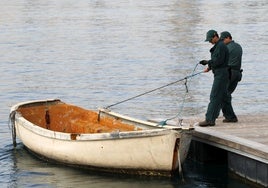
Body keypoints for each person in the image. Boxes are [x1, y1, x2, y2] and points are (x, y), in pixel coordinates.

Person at [198, 30, 236, 127]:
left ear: (215, 36)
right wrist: (209, 68)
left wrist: (208, 62)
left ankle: (210, 120)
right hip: (223, 73)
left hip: (221, 75)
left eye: (210, 39)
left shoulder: (220, 46)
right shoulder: (220, 46)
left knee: (214, 96)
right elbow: (220, 61)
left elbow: (218, 61)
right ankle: (231, 117)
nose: (210, 41)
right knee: (224, 96)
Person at [220, 31, 243, 123]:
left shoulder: (226, 48)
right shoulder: (238, 46)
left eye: (224, 39)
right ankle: (227, 115)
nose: (223, 41)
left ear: (229, 38)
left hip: (229, 73)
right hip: (237, 73)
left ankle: (230, 116)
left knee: (222, 94)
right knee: (227, 94)